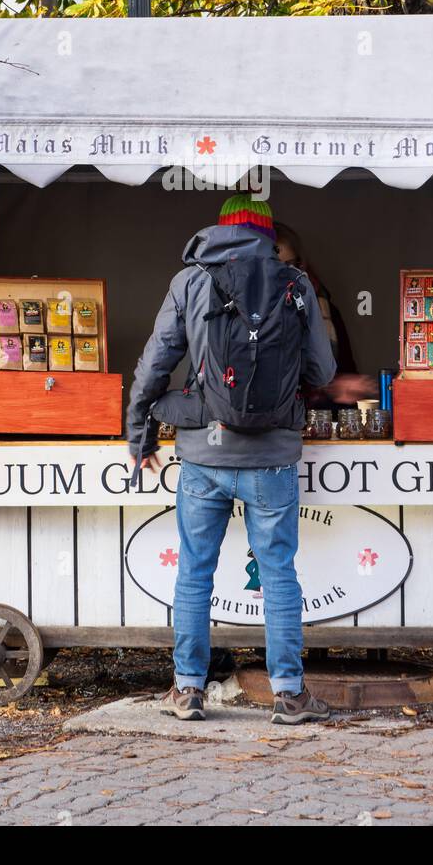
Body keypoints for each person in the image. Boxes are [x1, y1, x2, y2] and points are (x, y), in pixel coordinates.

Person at [126, 192, 337, 725]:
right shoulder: (297, 284)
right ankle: (289, 695)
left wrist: (139, 435)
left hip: (203, 454)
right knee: (279, 574)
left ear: (220, 231)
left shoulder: (189, 281)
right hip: (273, 459)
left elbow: (154, 367)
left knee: (195, 571)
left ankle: (188, 690)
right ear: (267, 234)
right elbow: (323, 372)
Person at [274, 220, 377, 407]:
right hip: (278, 421)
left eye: (291, 265)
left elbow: (346, 368)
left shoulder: (324, 306)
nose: (287, 275)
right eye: (278, 267)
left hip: (322, 421)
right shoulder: (251, 316)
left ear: (301, 263)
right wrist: (332, 387)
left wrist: (345, 385)